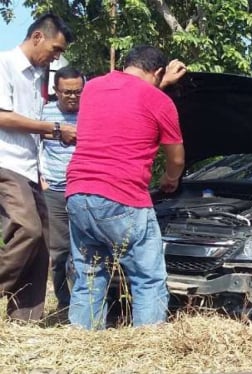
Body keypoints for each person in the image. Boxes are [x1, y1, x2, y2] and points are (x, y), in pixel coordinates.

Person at [65, 45, 186, 330]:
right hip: (122, 197)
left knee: (89, 277)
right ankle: (146, 347)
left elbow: (126, 100)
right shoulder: (159, 100)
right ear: (157, 72)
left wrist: (160, 84)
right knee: (147, 278)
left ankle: (81, 342)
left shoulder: (93, 87)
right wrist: (170, 179)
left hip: (78, 195)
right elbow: (177, 159)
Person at [0, 14, 75, 322]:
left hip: (30, 168)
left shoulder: (37, 76)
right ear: (37, 38)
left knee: (43, 242)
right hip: (6, 161)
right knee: (27, 229)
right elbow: (3, 117)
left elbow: (30, 126)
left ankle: (24, 320)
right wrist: (55, 128)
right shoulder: (4, 64)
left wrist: (59, 135)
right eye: (55, 49)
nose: (56, 56)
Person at [39, 66, 84, 311]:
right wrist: (40, 179)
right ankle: (64, 303)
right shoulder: (42, 114)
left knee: (85, 251)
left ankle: (83, 303)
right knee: (58, 253)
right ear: (56, 90)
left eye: (78, 92)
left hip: (84, 191)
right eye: (67, 92)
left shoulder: (92, 113)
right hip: (54, 191)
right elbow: (32, 146)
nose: (72, 97)